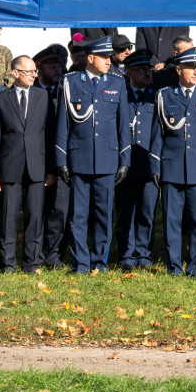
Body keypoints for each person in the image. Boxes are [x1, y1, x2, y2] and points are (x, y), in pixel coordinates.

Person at [55, 35, 131, 274]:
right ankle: (81, 263)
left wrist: (124, 160)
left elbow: (123, 125)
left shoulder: (118, 83)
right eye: (104, 57)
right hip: (78, 158)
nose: (109, 61)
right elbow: (62, 124)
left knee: (103, 214)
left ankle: (100, 261)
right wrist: (61, 159)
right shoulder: (70, 82)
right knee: (78, 215)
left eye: (110, 57)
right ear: (90, 58)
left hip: (108, 160)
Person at [150, 46, 196, 276]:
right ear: (179, 69)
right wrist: (155, 165)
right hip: (171, 167)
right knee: (172, 221)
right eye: (191, 67)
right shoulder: (164, 96)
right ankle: (173, 267)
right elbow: (156, 136)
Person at [0, 55, 49, 273]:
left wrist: (50, 169)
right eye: (29, 71)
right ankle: (7, 263)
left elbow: (48, 135)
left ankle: (32, 262)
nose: (34, 74)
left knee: (35, 216)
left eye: (35, 71)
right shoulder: (0, 99)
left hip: (37, 165)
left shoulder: (43, 97)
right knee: (8, 216)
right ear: (15, 73)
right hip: (9, 166)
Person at [113, 49, 159, 268]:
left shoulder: (157, 96)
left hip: (149, 164)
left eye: (148, 69)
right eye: (141, 69)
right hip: (126, 164)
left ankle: (143, 254)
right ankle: (126, 254)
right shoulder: (120, 95)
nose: (147, 73)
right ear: (128, 72)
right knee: (125, 212)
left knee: (147, 211)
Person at [33, 44, 72, 268]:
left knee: (60, 211)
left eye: (59, 66)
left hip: (61, 161)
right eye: (52, 66)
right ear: (40, 69)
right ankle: (34, 253)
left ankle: (55, 255)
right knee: (36, 211)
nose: (58, 70)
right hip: (35, 161)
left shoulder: (65, 91)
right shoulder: (30, 91)